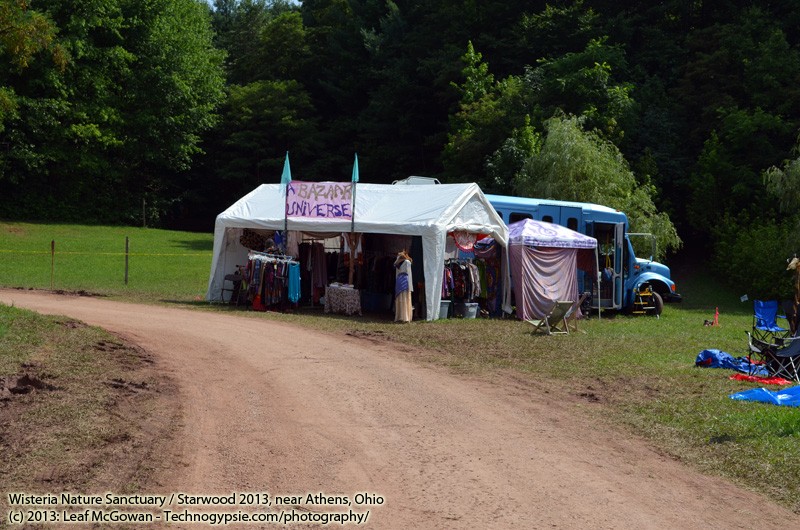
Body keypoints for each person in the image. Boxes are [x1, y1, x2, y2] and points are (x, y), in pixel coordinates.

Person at [394, 250, 413, 322]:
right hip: (405, 280)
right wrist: (410, 286)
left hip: (400, 280)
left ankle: (400, 316)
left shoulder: (397, 264)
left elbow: (397, 274)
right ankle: (405, 317)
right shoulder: (407, 262)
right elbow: (409, 273)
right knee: (404, 297)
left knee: (401, 298)